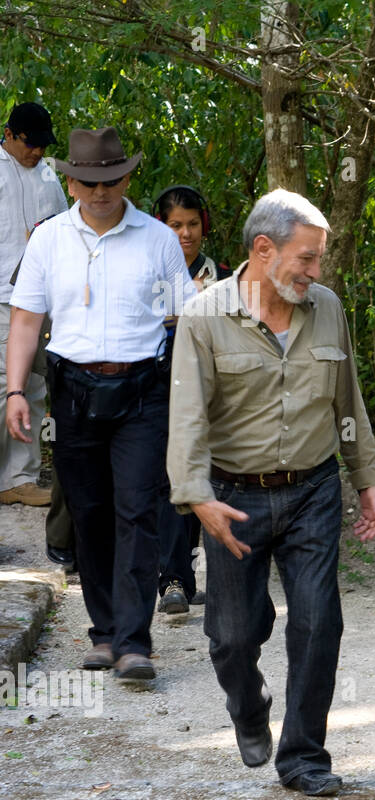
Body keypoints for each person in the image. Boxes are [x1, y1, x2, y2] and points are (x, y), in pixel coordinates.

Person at [168, 188, 375, 797]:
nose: (317, 272)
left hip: (313, 490)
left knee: (319, 623)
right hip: (233, 497)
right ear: (264, 250)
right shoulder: (204, 316)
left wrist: (367, 476)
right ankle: (247, 703)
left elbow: (348, 401)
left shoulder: (327, 309)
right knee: (234, 636)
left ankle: (304, 756)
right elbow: (186, 414)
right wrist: (196, 496)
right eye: (307, 258)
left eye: (319, 260)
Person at [5, 126, 194, 681]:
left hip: (142, 391)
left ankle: (135, 642)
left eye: (110, 179)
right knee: (88, 514)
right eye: (88, 181)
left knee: (137, 510)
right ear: (70, 182)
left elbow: (184, 314)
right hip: (73, 391)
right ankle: (106, 632)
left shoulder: (157, 239)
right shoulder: (48, 239)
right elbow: (25, 319)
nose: (101, 190)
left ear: (127, 178)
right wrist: (16, 390)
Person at [152, 185, 231, 615]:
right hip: (159, 387)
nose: (185, 234)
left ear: (205, 225)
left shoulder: (222, 275)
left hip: (214, 389)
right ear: (159, 226)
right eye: (175, 225)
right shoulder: (146, 272)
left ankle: (190, 573)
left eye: (192, 224)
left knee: (204, 475)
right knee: (170, 479)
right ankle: (173, 580)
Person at [0, 103, 66, 508]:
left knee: (35, 383)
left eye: (43, 145)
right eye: (31, 143)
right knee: (4, 382)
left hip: (40, 296)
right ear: (9, 133)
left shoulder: (47, 175)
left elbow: (65, 225)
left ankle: (19, 477)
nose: (38, 152)